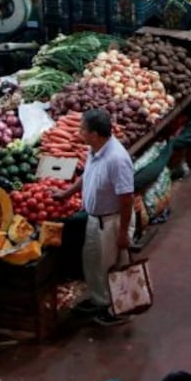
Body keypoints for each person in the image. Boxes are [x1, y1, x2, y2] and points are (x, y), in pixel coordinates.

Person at [53, 109, 134, 327]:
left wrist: (123, 233)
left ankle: (119, 309)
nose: (79, 132)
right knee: (93, 263)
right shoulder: (95, 150)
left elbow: (127, 199)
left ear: (95, 134)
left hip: (112, 221)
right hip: (95, 219)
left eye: (82, 129)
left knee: (113, 266)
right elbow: (87, 176)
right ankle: (101, 300)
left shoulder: (117, 160)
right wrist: (67, 193)